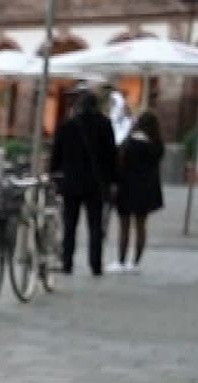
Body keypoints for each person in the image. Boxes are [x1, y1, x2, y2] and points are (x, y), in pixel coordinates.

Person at [50, 89, 116, 275]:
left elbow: (57, 156)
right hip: (95, 183)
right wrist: (112, 181)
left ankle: (67, 262)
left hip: (71, 183)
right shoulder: (105, 125)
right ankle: (95, 264)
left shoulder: (67, 126)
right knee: (95, 225)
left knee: (69, 225)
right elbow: (111, 155)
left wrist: (54, 175)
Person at [113, 111, 164, 273]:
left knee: (124, 226)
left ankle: (121, 261)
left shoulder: (129, 143)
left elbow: (120, 165)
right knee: (141, 226)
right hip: (146, 190)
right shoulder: (156, 145)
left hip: (127, 188)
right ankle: (136, 262)